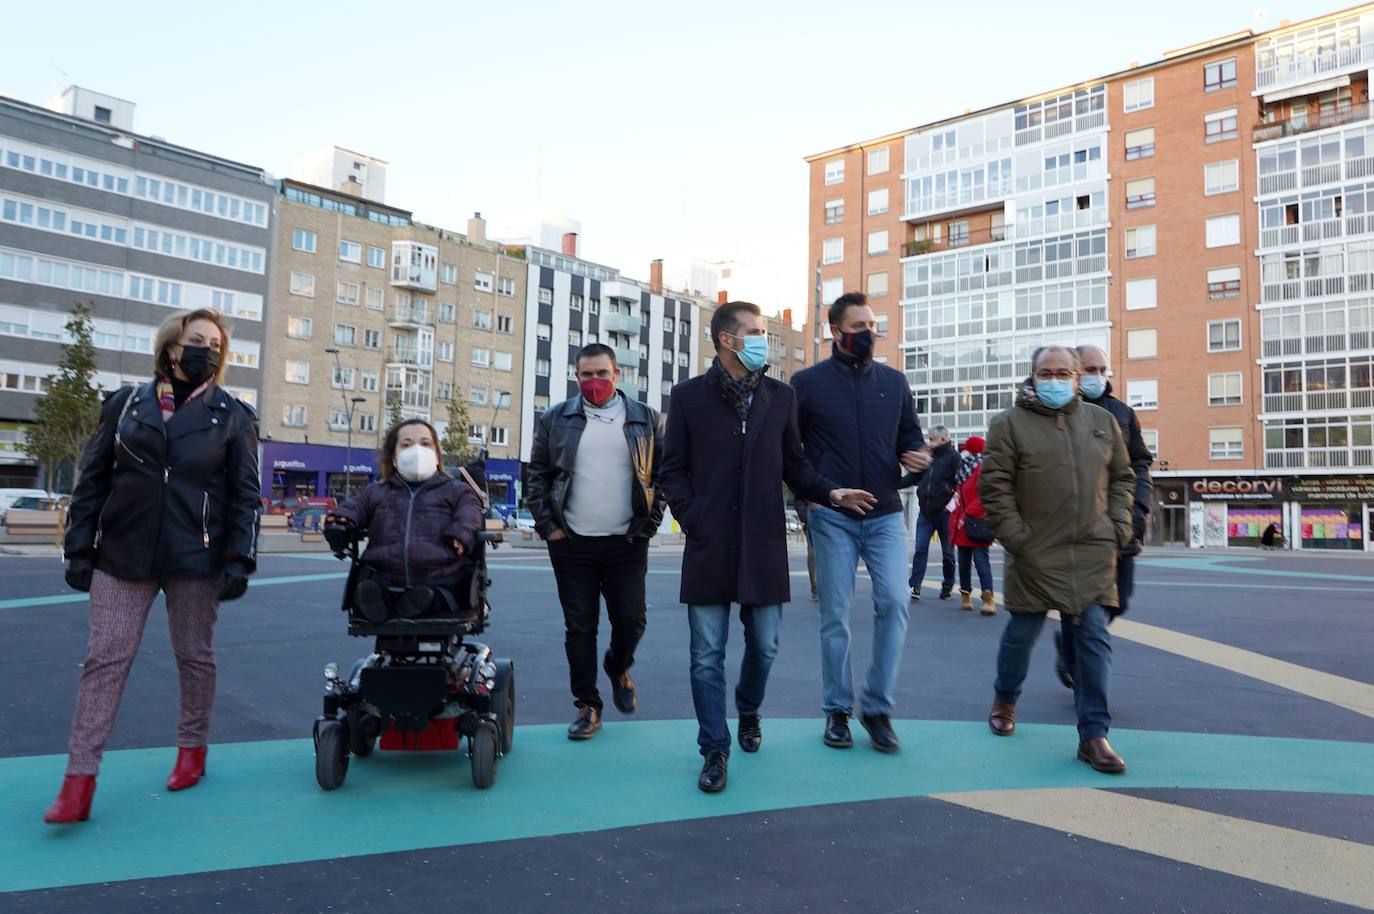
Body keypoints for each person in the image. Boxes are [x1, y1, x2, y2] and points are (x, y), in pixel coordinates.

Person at [48, 309, 261, 824]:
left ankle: (192, 749)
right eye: (196, 340)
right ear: (171, 347)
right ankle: (78, 782)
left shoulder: (232, 414)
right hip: (123, 554)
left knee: (195, 658)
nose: (205, 350)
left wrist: (239, 557)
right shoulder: (125, 406)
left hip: (197, 557)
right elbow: (92, 481)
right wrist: (78, 548)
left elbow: (245, 495)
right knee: (105, 662)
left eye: (214, 344)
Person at [660, 300, 874, 793]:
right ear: (726, 340)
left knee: (766, 645)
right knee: (706, 654)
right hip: (709, 545)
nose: (762, 340)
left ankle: (748, 708)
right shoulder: (689, 397)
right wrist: (692, 517)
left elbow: (794, 465)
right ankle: (714, 748)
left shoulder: (781, 396)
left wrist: (830, 491)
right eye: (754, 332)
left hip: (762, 545)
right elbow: (671, 470)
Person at [980, 345, 1135, 774]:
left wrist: (1117, 526)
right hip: (1034, 551)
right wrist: (1017, 538)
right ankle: (1006, 698)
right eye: (1045, 372)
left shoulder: (1102, 422)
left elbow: (1123, 477)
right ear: (1032, 376)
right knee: (1021, 634)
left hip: (1092, 549)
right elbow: (994, 487)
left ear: (1075, 375)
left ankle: (1094, 735)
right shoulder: (1008, 424)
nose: (1054, 379)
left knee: (1093, 641)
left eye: (1063, 372)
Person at [792, 292, 930, 755]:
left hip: (886, 512)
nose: (869, 333)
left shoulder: (895, 382)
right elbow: (793, 455)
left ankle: (877, 708)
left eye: (873, 325)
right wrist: (812, 500)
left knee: (894, 602)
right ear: (836, 332)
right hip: (831, 514)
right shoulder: (806, 384)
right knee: (836, 615)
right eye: (860, 326)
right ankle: (836, 710)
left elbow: (911, 439)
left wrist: (919, 462)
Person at [526, 343, 664, 740]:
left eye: (602, 373)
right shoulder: (555, 418)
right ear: (576, 376)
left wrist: (649, 524)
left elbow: (662, 475)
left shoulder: (646, 419)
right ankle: (588, 705)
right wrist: (548, 526)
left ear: (617, 374)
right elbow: (537, 474)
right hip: (571, 543)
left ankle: (618, 666)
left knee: (631, 620)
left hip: (626, 542)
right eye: (586, 375)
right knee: (579, 628)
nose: (594, 381)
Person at [1053, 344, 1155, 689]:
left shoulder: (1122, 413)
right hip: (1075, 530)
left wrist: (1139, 507)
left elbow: (1140, 464)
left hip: (1120, 525)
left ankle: (1069, 649)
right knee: (1080, 607)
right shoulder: (1058, 410)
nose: (1098, 376)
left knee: (1120, 601)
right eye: (1090, 369)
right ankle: (1081, 672)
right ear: (1076, 371)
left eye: (1102, 369)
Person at [326, 418, 483, 622]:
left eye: (425, 444)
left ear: (436, 455)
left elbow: (470, 513)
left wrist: (460, 533)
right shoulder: (376, 492)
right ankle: (382, 601)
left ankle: (419, 603)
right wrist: (339, 521)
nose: (417, 450)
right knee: (371, 585)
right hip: (383, 575)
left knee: (436, 595)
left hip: (440, 576)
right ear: (394, 458)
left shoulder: (458, 491)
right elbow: (352, 507)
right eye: (407, 445)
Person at [907, 425, 959, 601]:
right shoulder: (927, 458)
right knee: (920, 548)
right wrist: (892, 483)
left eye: (932, 439)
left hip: (945, 514)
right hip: (926, 512)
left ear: (943, 439)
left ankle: (948, 585)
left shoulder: (954, 457)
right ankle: (915, 585)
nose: (929, 443)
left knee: (948, 553)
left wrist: (950, 506)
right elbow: (913, 478)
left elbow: (961, 484)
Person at [949, 435, 996, 615]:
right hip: (962, 521)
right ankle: (965, 595)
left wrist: (967, 513)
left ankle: (988, 597)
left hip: (976, 521)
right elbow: (960, 494)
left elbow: (985, 496)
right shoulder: (964, 468)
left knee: (981, 560)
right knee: (964, 561)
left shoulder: (982, 468)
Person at [791, 496, 818, 601]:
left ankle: (832, 588)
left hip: (834, 521)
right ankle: (815, 589)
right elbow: (798, 499)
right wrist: (807, 516)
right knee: (813, 555)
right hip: (812, 521)